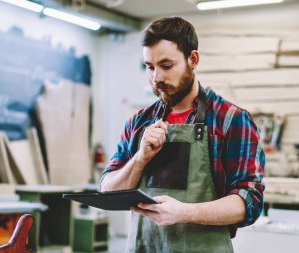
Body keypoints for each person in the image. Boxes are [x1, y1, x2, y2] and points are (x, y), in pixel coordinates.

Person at [100, 17, 265, 253]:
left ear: (193, 59)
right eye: (149, 66)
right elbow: (108, 191)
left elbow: (249, 202)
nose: (156, 78)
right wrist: (140, 159)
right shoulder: (139, 123)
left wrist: (184, 212)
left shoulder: (230, 120)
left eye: (166, 66)